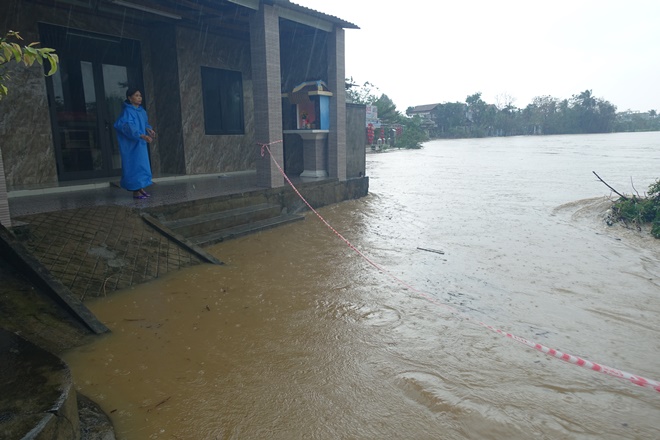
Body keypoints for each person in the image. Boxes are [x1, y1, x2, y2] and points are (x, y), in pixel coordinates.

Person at [114, 88, 155, 199]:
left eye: (140, 95)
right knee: (134, 165)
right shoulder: (127, 112)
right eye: (136, 95)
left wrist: (148, 129)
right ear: (129, 98)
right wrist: (141, 135)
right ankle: (136, 191)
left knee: (142, 165)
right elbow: (128, 127)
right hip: (131, 145)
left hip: (140, 144)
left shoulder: (141, 111)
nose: (139, 98)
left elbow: (145, 123)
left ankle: (141, 188)